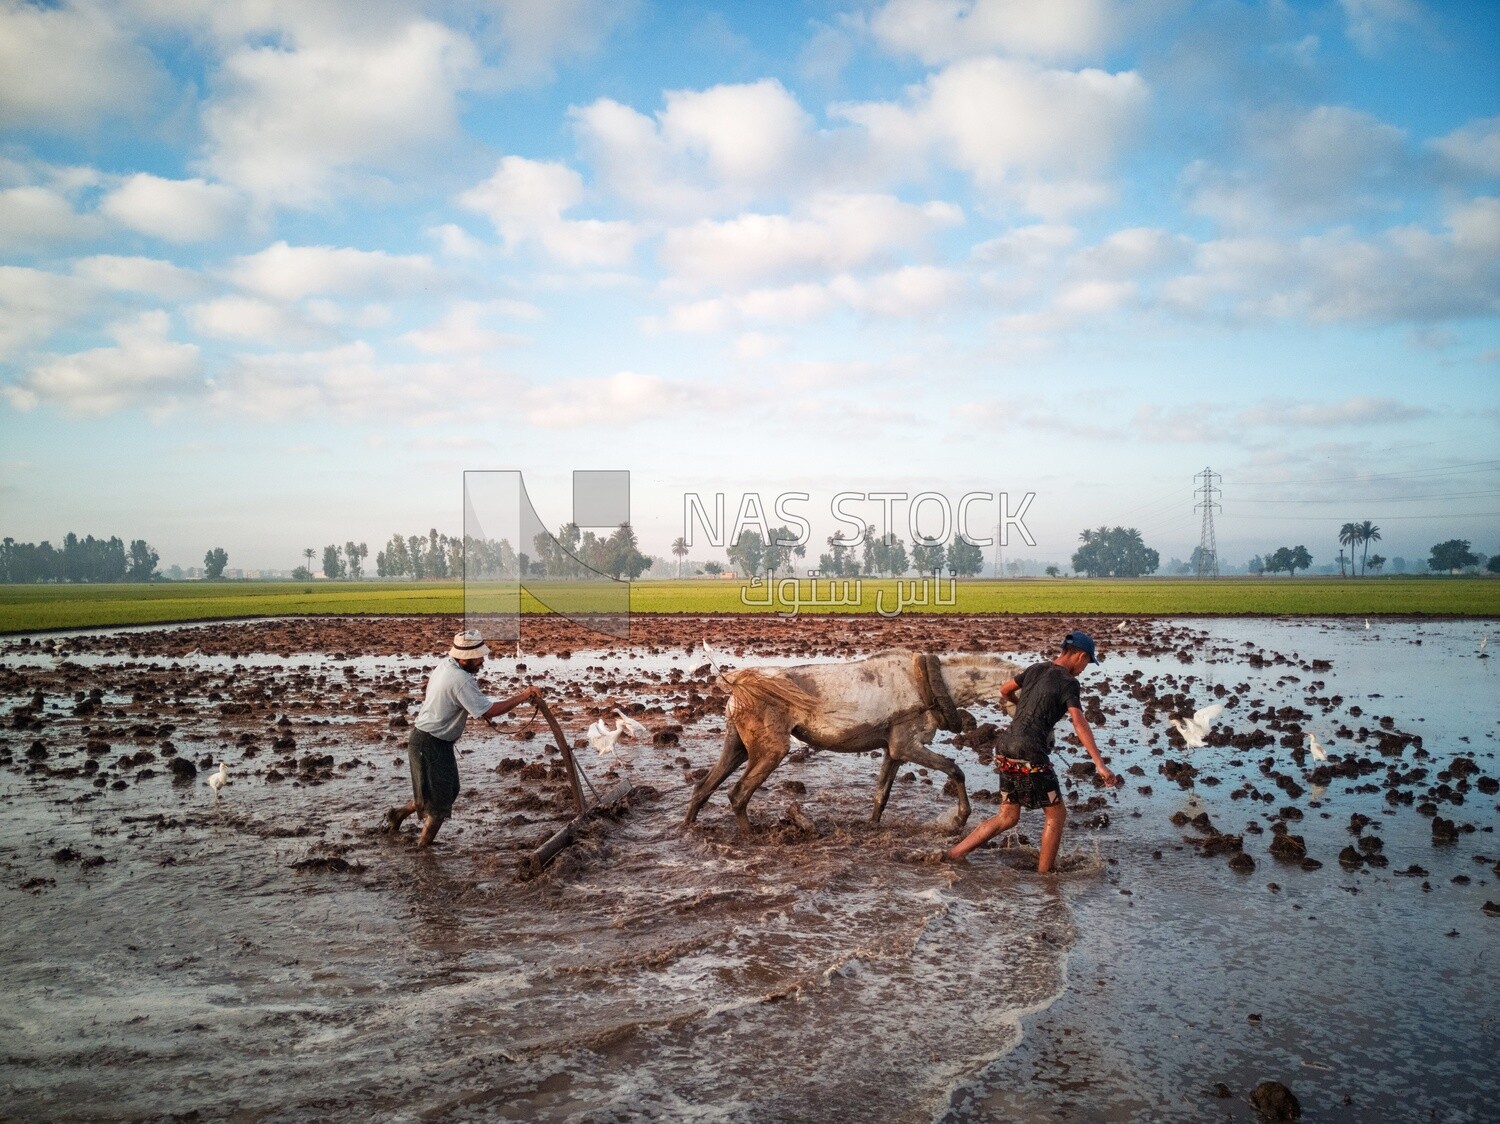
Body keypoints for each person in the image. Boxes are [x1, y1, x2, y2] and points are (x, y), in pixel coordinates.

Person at [945, 630, 1117, 872]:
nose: (1085, 668)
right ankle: (1045, 876)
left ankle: (952, 855)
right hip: (1030, 752)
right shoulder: (1069, 683)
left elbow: (1004, 690)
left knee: (1007, 816)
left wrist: (1025, 708)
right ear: (1080, 656)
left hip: (1004, 747)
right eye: (1088, 661)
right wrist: (1099, 764)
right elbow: (1079, 722)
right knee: (1056, 816)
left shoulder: (1035, 668)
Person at [385, 629, 541, 848]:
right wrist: (524, 696)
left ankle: (399, 814)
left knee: (447, 791)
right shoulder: (461, 680)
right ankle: (423, 849)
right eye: (478, 658)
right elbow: (488, 711)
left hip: (432, 741)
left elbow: (473, 704)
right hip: (430, 743)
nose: (482, 662)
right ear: (464, 658)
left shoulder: (447, 666)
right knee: (439, 804)